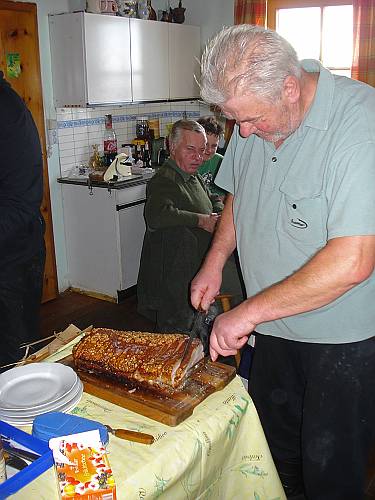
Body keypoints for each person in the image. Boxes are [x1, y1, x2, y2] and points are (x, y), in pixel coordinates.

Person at [191, 24, 375, 500]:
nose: (243, 132)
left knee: (330, 476)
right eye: (235, 120)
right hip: (273, 329)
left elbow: (353, 260)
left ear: (290, 88)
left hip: (340, 343)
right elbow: (238, 193)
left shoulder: (360, 125)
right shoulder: (252, 113)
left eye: (250, 120)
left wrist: (246, 313)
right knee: (272, 459)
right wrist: (215, 261)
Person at [137, 119, 223, 334]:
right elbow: (156, 216)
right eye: (190, 149)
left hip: (195, 267)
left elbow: (210, 196)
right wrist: (202, 220)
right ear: (172, 146)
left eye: (202, 151)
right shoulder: (164, 180)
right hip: (175, 277)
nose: (198, 157)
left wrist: (218, 209)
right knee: (173, 337)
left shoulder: (190, 174)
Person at [0, 71, 46, 370]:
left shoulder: (6, 111)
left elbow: (20, 203)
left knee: (16, 361)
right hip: (14, 252)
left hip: (12, 261)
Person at [197, 116, 226, 200]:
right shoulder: (186, 162)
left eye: (214, 146)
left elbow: (222, 195)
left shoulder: (221, 162)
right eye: (206, 144)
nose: (209, 150)